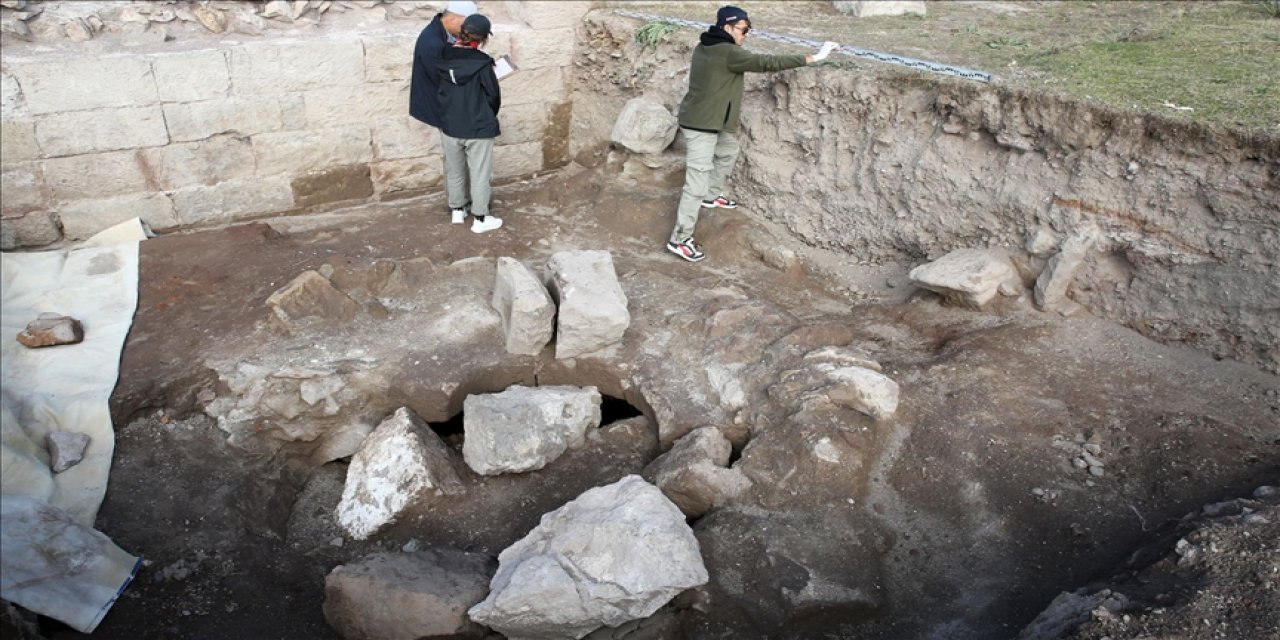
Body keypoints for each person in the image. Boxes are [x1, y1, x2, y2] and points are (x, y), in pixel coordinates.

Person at [666, 6, 838, 262]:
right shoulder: (728, 53)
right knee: (696, 183)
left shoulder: (706, 44)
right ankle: (679, 240)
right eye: (744, 30)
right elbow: (766, 62)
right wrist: (815, 57)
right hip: (701, 125)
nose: (747, 35)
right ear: (727, 28)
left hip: (709, 120)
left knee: (728, 150)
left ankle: (712, 196)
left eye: (749, 30)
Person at [427, 14, 503, 233]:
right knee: (480, 174)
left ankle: (458, 211)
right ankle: (480, 219)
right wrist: (486, 114)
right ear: (481, 39)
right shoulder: (482, 63)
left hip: (450, 126)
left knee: (455, 170)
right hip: (478, 127)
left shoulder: (442, 56)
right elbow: (493, 96)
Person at [409, 0, 480, 226]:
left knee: (455, 161)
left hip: (447, 107)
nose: (466, 32)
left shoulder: (440, 32)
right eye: (464, 26)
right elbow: (444, 79)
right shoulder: (432, 43)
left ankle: (459, 206)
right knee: (458, 161)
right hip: (444, 107)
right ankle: (463, 206)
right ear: (453, 19)